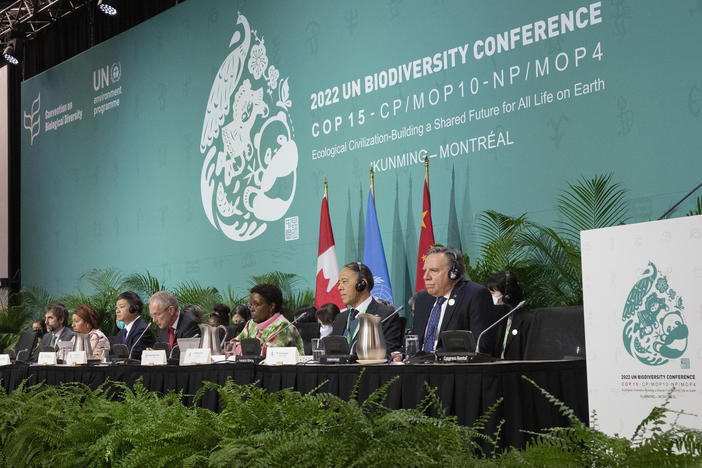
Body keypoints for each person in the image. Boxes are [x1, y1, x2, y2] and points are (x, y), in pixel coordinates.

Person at [410, 247, 495, 354]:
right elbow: (414, 343)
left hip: (453, 367)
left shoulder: (474, 295)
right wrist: (400, 354)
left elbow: (480, 345)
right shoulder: (422, 299)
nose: (426, 277)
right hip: (418, 367)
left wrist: (435, 355)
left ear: (453, 273)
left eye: (434, 270)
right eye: (425, 271)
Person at [331, 262, 402, 354]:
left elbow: (387, 353)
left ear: (362, 284)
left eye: (344, 282)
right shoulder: (340, 318)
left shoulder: (386, 316)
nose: (339, 288)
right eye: (339, 283)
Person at [233, 283, 304, 355]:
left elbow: (269, 354)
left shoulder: (283, 326)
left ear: (271, 307)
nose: (252, 309)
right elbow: (233, 344)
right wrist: (244, 350)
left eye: (256, 304)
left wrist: (242, 350)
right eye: (250, 304)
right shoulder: (251, 324)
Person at [486, 270, 531, 359]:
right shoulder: (493, 318)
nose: (489, 297)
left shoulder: (525, 319)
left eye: (492, 293)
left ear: (507, 297)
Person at [114, 291, 155, 360]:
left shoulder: (142, 330)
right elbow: (113, 354)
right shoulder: (121, 333)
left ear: (134, 309)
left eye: (121, 307)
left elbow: (135, 356)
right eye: (116, 308)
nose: (117, 311)